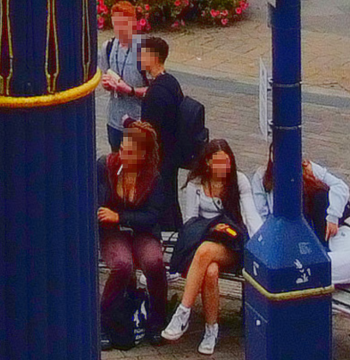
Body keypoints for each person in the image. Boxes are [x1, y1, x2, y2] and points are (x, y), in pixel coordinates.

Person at [163, 139, 261, 352]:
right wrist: (211, 230)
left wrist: (260, 247)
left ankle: (183, 312)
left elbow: (251, 217)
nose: (223, 168)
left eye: (226, 162)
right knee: (210, 270)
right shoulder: (196, 183)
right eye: (218, 163)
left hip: (232, 246)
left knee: (206, 251)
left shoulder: (239, 181)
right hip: (200, 245)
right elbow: (190, 223)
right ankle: (211, 330)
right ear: (207, 163)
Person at [96, 120, 172, 343]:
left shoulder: (153, 178)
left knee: (154, 261)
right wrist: (107, 215)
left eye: (130, 153)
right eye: (122, 149)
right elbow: (95, 202)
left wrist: (122, 217)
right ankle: (104, 319)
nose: (123, 156)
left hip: (142, 229)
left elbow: (153, 216)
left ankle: (158, 319)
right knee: (122, 264)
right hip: (112, 230)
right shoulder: (105, 166)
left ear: (143, 156)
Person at [260, 152, 350, 285]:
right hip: (325, 249)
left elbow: (341, 187)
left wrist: (333, 218)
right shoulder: (272, 183)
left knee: (299, 270)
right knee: (294, 269)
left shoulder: (311, 174)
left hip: (346, 242)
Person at [98, 0, 147, 152]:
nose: (119, 29)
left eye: (123, 24)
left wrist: (129, 90)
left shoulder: (143, 50)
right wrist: (106, 84)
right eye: (115, 24)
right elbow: (104, 75)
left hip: (137, 122)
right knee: (115, 163)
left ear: (133, 23)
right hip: (114, 121)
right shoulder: (108, 47)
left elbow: (156, 91)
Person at [136, 34, 184, 170]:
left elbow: (149, 131)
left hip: (158, 160)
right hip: (171, 154)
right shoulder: (171, 81)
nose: (140, 58)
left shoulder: (156, 93)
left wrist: (128, 122)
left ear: (154, 58)